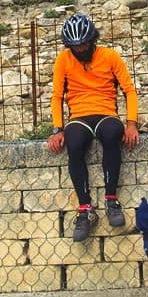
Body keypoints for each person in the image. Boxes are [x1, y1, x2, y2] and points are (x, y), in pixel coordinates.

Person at [47, 13, 140, 242]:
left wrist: (131, 124)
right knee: (74, 141)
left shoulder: (109, 56)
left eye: (84, 44)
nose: (80, 50)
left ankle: (111, 200)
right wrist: (57, 129)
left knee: (112, 133)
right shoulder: (63, 60)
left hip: (106, 112)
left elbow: (129, 90)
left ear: (92, 39)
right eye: (75, 46)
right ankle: (85, 208)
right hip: (79, 115)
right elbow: (57, 96)